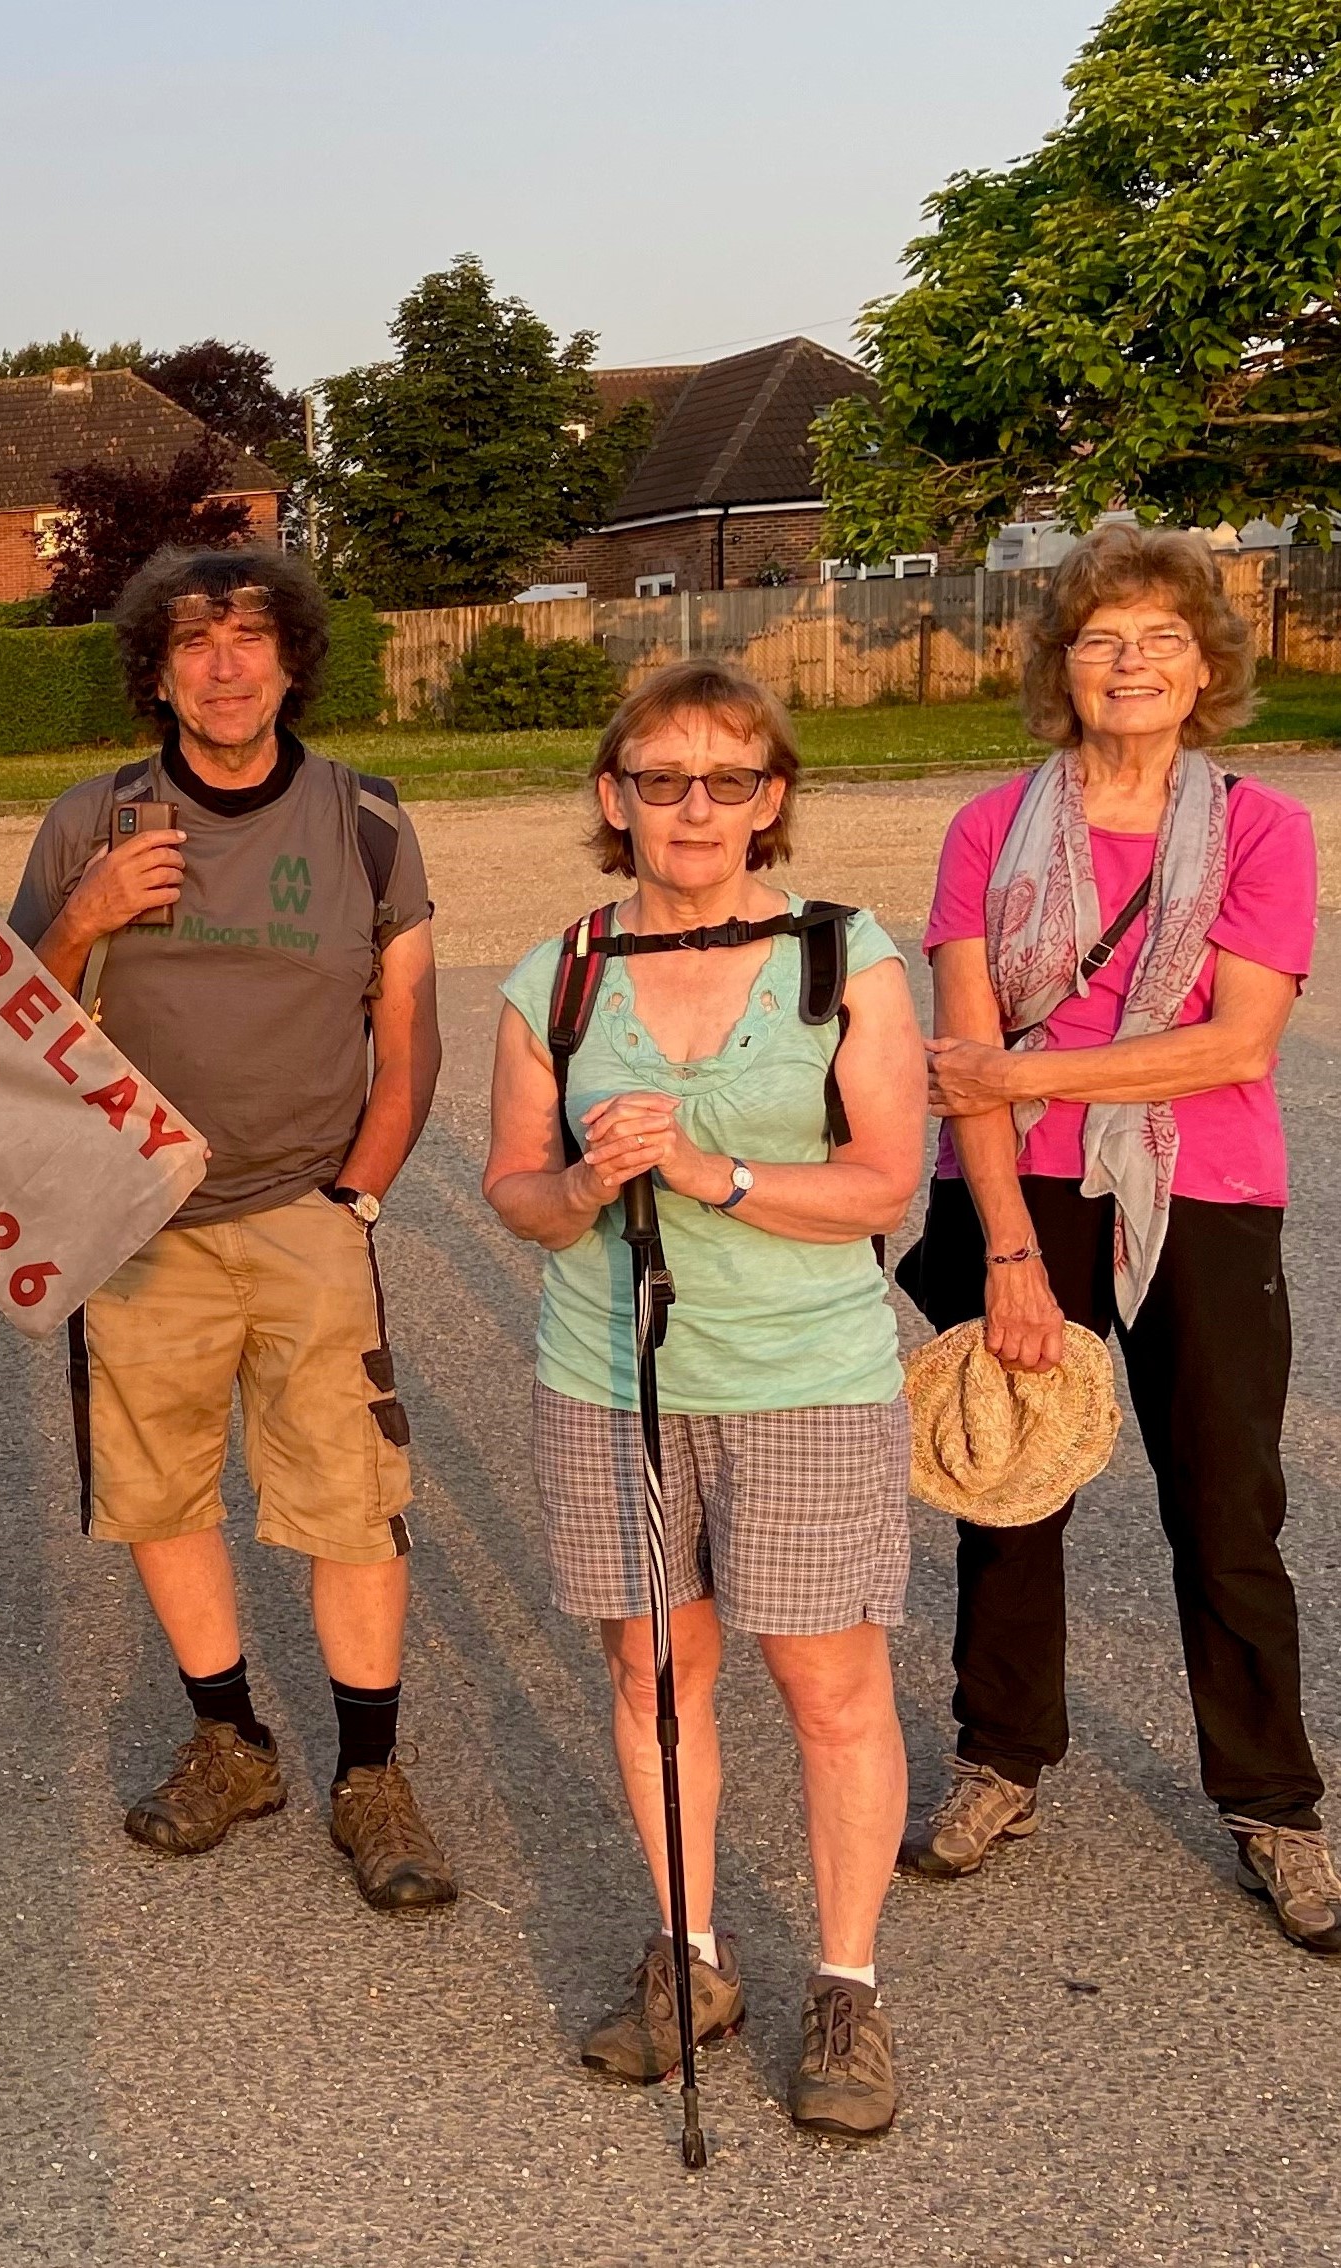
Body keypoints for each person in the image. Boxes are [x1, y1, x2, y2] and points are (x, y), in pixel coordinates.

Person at [482, 660, 924, 2137]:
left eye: (727, 779)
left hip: (803, 1378)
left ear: (771, 799)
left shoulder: (840, 956)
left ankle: (846, 1985)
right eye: (659, 780)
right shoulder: (554, 975)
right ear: (613, 799)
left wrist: (710, 1173)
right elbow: (515, 1199)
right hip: (607, 1379)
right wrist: (581, 1180)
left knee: (824, 1681)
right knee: (649, 1675)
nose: (692, 807)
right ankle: (690, 1953)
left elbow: (883, 1183)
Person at [902, 522, 1336, 1958]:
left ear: (1207, 666)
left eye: (1159, 637)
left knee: (1225, 1502)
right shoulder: (986, 828)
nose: (1130, 660)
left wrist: (1024, 1078)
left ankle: (1272, 1802)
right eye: (1100, 639)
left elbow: (1235, 1043)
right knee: (1008, 1486)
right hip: (1019, 1199)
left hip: (1204, 1193)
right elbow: (959, 1047)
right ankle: (998, 1761)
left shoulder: (1264, 828)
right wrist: (1009, 1252)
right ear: (1060, 668)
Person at [8, 546, 454, 1911]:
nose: (220, 664)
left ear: (289, 659)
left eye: (247, 637)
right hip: (141, 1219)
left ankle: (369, 1771)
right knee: (158, 1492)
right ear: (153, 668)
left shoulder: (364, 819)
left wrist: (358, 1192)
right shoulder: (91, 821)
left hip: (306, 1206)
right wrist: (80, 918)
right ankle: (232, 1738)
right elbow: (4, 1029)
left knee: (347, 1501)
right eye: (192, 643)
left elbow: (410, 1027)